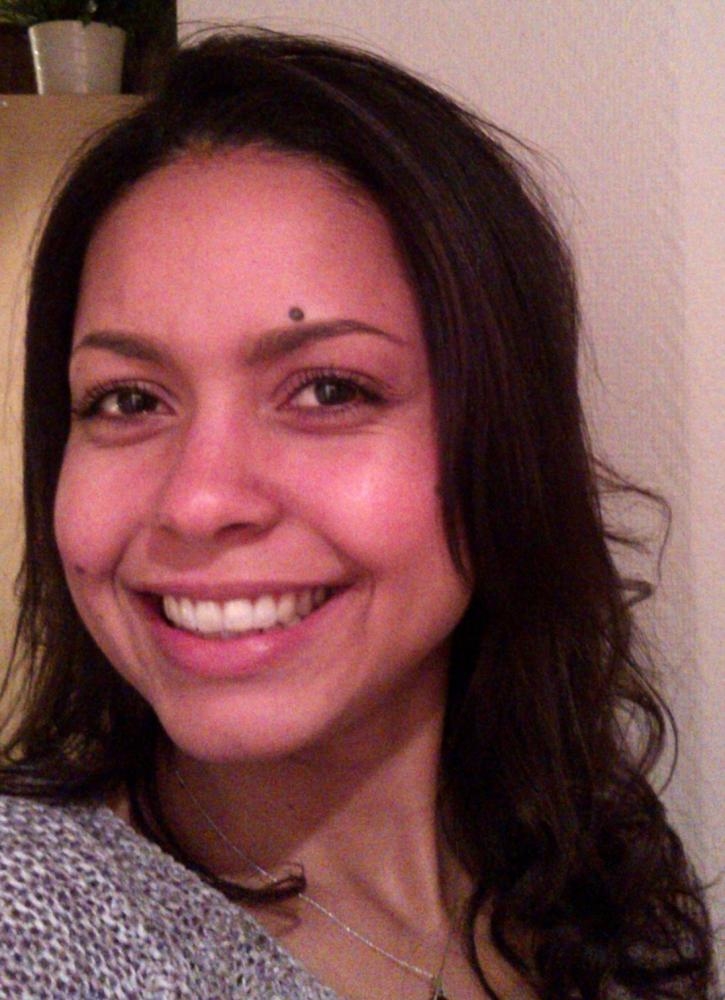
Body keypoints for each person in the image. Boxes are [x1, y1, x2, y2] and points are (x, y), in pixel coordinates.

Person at [0, 29, 716, 1000]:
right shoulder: (27, 917)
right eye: (127, 400)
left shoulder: (599, 876)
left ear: (505, 437)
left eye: (328, 389)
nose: (198, 501)